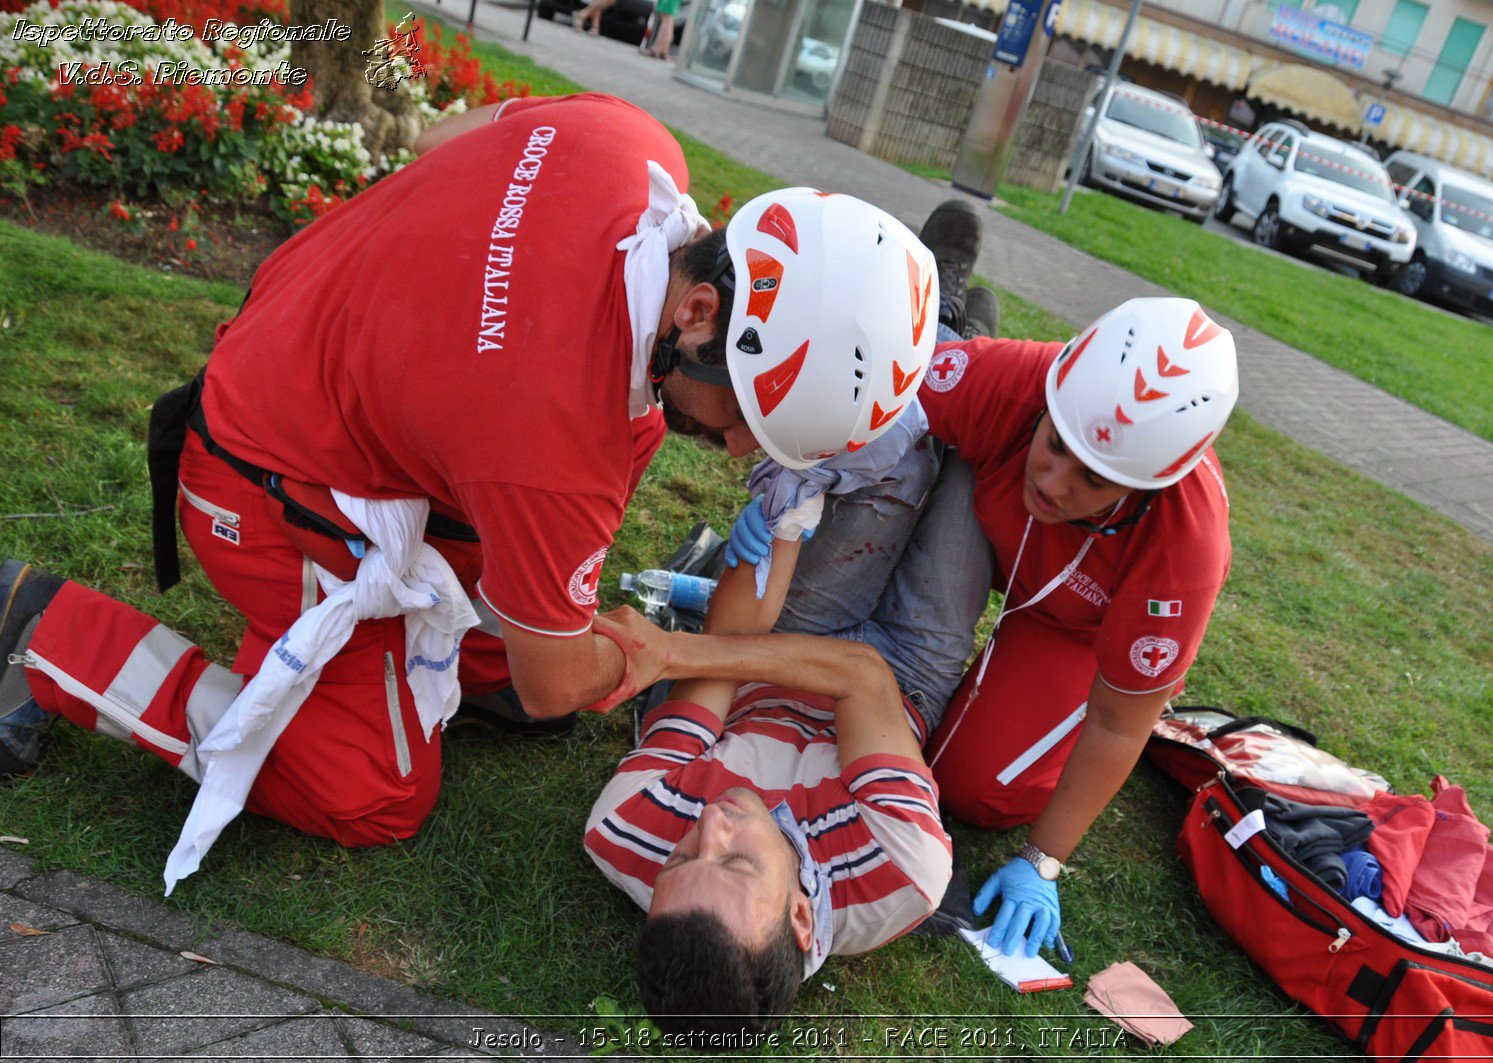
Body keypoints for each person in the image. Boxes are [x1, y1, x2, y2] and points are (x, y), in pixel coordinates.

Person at [0, 93, 939, 892]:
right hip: (259, 488)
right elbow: (561, 674)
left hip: (290, 360)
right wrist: (651, 654)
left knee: (529, 679)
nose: (736, 449)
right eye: (743, 417)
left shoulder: (631, 143)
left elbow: (441, 142)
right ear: (697, 314)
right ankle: (42, 630)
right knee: (371, 790)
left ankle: (407, 656)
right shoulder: (559, 441)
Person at [726, 200, 1240, 960]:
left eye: (1093, 478)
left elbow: (1120, 720)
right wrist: (794, 485)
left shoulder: (1185, 546)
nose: (1057, 481)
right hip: (980, 514)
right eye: (1055, 442)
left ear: (1147, 489)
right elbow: (878, 404)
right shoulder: (1022, 381)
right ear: (1053, 396)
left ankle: (954, 322)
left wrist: (1043, 862)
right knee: (912, 428)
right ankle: (949, 319)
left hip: (1065, 619)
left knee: (976, 788)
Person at [584, 533, 953, 1041]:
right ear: (801, 916)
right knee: (977, 489)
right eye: (736, 861)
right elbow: (864, 677)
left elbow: (717, 650)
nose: (710, 822)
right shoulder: (902, 871)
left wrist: (782, 524)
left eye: (680, 859)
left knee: (877, 471)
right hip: (907, 680)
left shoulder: (625, 823)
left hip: (776, 643)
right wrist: (669, 650)